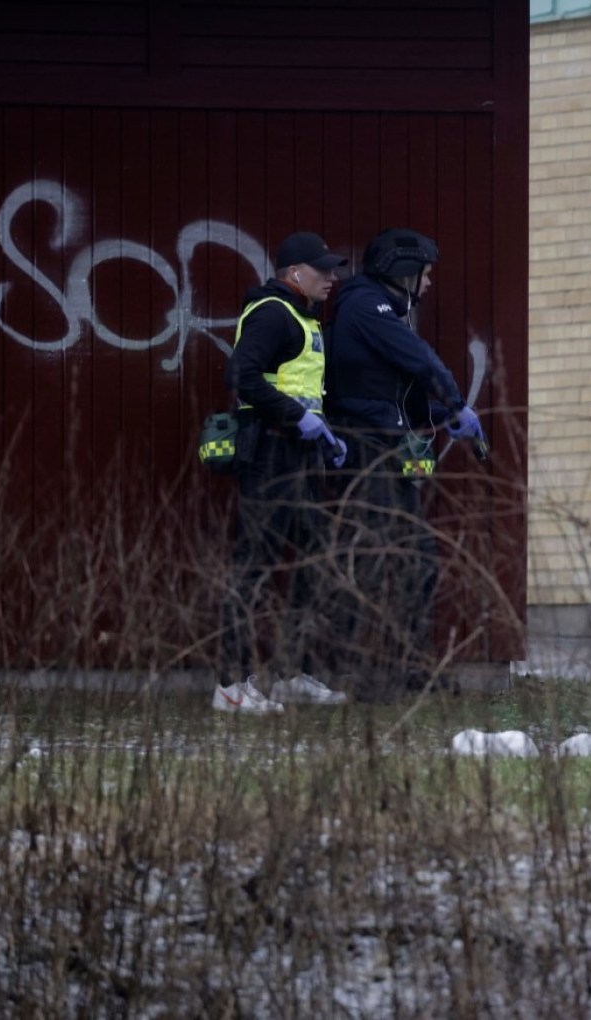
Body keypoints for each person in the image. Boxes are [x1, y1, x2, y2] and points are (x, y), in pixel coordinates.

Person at [324, 227, 484, 700]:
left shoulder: (383, 311)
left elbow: (393, 395)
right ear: (403, 271)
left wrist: (440, 417)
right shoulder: (364, 305)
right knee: (377, 561)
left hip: (387, 446)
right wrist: (455, 402)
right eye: (426, 274)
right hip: (366, 450)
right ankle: (368, 676)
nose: (429, 284)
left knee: (417, 561)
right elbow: (420, 360)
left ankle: (412, 668)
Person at [215, 231, 352, 713]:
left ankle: (295, 672)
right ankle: (231, 687)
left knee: (315, 562)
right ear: (295, 273)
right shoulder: (273, 313)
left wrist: (325, 435)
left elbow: (301, 389)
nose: (332, 278)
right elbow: (241, 377)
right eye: (323, 270)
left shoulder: (301, 317)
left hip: (300, 456)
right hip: (270, 454)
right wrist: (299, 418)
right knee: (253, 568)